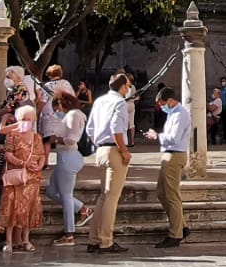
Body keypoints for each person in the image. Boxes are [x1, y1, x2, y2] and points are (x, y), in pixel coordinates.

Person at [82, 73, 135, 254]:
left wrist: (100, 143)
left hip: (101, 150)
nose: (128, 89)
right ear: (121, 86)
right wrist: (124, 150)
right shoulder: (120, 103)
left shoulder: (99, 101)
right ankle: (106, 240)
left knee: (103, 197)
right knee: (111, 198)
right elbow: (116, 129)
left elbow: (90, 128)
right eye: (127, 85)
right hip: (114, 150)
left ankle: (94, 239)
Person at [0, 104, 47, 252]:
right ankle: (9, 240)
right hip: (15, 177)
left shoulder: (37, 137)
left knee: (28, 208)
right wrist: (23, 163)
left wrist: (40, 165)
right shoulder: (12, 135)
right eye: (23, 119)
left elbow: (42, 155)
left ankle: (25, 239)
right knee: (11, 207)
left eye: (29, 119)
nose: (26, 122)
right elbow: (8, 155)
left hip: (32, 178)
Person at [145, 86, 194, 248]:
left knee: (172, 195)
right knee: (162, 192)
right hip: (169, 154)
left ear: (171, 101)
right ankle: (182, 225)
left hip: (175, 154)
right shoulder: (173, 113)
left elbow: (174, 137)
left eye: (162, 104)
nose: (162, 107)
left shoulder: (180, 114)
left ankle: (175, 233)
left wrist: (156, 136)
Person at [45, 90, 91, 245]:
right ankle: (82, 209)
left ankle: (69, 233)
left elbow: (72, 139)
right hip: (63, 157)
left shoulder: (73, 115)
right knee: (51, 191)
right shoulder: (72, 115)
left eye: (56, 107)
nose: (57, 111)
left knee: (66, 195)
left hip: (68, 156)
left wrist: (56, 139)